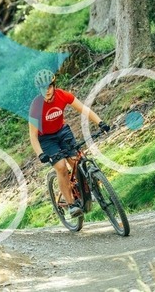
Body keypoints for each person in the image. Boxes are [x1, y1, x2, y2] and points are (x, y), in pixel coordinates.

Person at [28, 69, 110, 217]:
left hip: (62, 131)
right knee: (61, 167)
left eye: (49, 86)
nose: (46, 90)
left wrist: (100, 122)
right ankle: (71, 205)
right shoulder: (36, 106)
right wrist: (40, 154)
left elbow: (84, 109)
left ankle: (87, 191)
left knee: (76, 161)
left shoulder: (63, 95)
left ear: (54, 85)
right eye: (43, 88)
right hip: (46, 139)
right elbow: (33, 136)